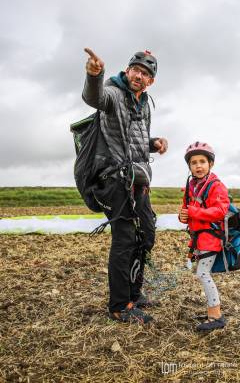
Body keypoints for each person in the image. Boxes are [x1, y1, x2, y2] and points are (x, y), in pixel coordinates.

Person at [82, 48, 168, 323]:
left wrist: (153, 142)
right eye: (136, 70)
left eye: (145, 74)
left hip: (137, 179)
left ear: (151, 81)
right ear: (127, 70)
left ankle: (133, 292)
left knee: (147, 235)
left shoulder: (144, 105)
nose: (139, 76)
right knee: (124, 239)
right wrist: (94, 76)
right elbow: (94, 98)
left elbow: (134, 139)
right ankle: (119, 305)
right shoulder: (113, 93)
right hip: (113, 178)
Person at [179, 142, 230, 332]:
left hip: (211, 238)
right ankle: (212, 311)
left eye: (202, 161)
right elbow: (187, 212)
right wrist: (182, 215)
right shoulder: (191, 186)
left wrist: (192, 212)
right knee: (202, 273)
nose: (198, 166)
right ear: (189, 166)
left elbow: (219, 211)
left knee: (202, 273)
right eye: (193, 162)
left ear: (211, 164)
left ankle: (216, 315)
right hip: (199, 239)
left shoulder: (216, 186)